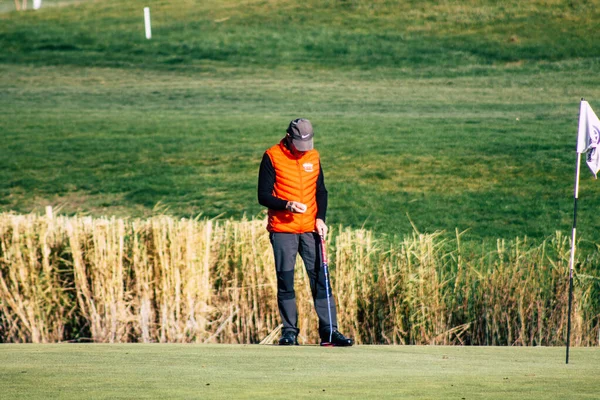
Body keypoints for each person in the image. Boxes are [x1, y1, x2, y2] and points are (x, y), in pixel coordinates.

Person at [257, 118, 354, 347]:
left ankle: (329, 332)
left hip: (310, 229)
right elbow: (263, 195)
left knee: (321, 280)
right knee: (286, 280)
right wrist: (287, 205)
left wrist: (321, 218)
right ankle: (290, 332)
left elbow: (321, 191)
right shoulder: (272, 156)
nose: (303, 150)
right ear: (289, 138)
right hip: (283, 229)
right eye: (299, 144)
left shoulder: (314, 156)